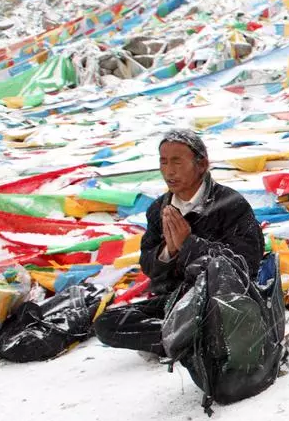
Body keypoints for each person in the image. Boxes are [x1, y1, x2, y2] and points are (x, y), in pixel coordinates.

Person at [94, 130, 264, 356]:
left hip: (218, 301)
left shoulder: (231, 204)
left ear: (201, 164)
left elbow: (246, 264)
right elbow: (149, 266)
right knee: (107, 323)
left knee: (218, 319)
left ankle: (183, 339)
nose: (169, 171)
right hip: (175, 301)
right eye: (163, 162)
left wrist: (189, 244)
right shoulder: (159, 209)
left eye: (177, 162)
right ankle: (190, 340)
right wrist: (169, 251)